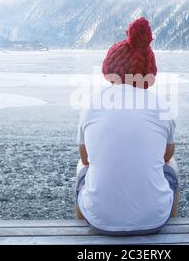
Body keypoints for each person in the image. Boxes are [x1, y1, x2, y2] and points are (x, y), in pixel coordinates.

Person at [75, 17, 179, 235]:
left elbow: (85, 158)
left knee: (81, 167)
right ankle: (173, 225)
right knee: (173, 166)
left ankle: (82, 227)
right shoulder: (162, 104)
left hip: (100, 222)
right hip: (154, 220)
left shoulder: (93, 102)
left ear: (110, 69)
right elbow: (167, 155)